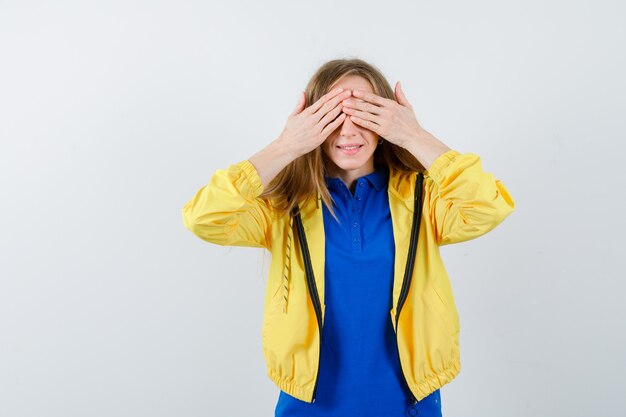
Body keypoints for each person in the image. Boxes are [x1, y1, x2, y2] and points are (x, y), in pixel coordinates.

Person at [182, 58, 516, 417]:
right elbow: (203, 217)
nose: (349, 132)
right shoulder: (283, 207)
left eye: (365, 114)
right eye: (333, 116)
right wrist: (285, 146)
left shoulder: (422, 198)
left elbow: (489, 206)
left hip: (408, 402)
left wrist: (414, 136)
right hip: (308, 403)